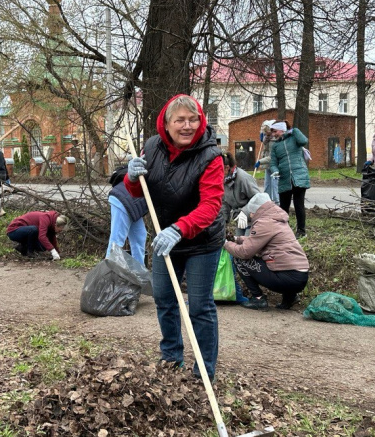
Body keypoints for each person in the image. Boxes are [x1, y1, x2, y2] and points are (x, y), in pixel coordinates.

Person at [126, 94, 224, 380]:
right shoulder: (152, 147)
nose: (187, 125)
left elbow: (210, 206)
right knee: (164, 298)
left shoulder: (211, 156)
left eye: (193, 119)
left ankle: (204, 372)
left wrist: (179, 229)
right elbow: (138, 192)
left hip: (200, 241)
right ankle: (171, 358)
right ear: (166, 124)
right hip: (164, 237)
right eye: (180, 120)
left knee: (200, 306)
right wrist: (131, 178)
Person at [223, 193, 309, 310]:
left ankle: (258, 299)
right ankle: (290, 297)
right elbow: (257, 241)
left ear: (257, 211)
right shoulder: (276, 218)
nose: (251, 215)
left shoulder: (264, 223)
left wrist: (226, 244)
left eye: (251, 212)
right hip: (300, 275)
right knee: (280, 260)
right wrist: (237, 239)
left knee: (240, 259)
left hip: (287, 278)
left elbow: (245, 252)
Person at [220, 151, 261, 306]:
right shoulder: (222, 180)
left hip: (254, 217)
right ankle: (241, 288)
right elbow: (225, 203)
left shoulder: (243, 178)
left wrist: (246, 212)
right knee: (237, 252)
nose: (220, 171)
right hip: (239, 218)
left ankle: (257, 294)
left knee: (249, 251)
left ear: (231, 167)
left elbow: (258, 198)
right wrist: (222, 224)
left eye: (223, 168)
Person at [269, 121, 310, 238]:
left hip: (299, 175)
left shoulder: (294, 138)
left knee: (299, 205)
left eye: (275, 131)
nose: (274, 134)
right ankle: (284, 232)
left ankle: (301, 231)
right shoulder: (276, 146)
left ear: (282, 129)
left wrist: (295, 130)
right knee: (284, 207)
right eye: (272, 132)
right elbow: (273, 163)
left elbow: (304, 141)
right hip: (284, 178)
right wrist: (275, 170)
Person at [107, 166, 148, 264]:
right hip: (123, 200)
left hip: (134, 206)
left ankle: (138, 272)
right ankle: (108, 274)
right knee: (116, 241)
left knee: (140, 236)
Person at [254, 119, 279, 206]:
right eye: (264, 132)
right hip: (267, 165)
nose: (265, 133)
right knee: (267, 184)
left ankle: (276, 202)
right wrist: (262, 137)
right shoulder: (267, 138)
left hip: (274, 165)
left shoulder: (275, 141)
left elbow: (272, 157)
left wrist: (260, 161)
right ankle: (266, 201)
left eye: (266, 132)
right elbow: (265, 149)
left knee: (274, 184)